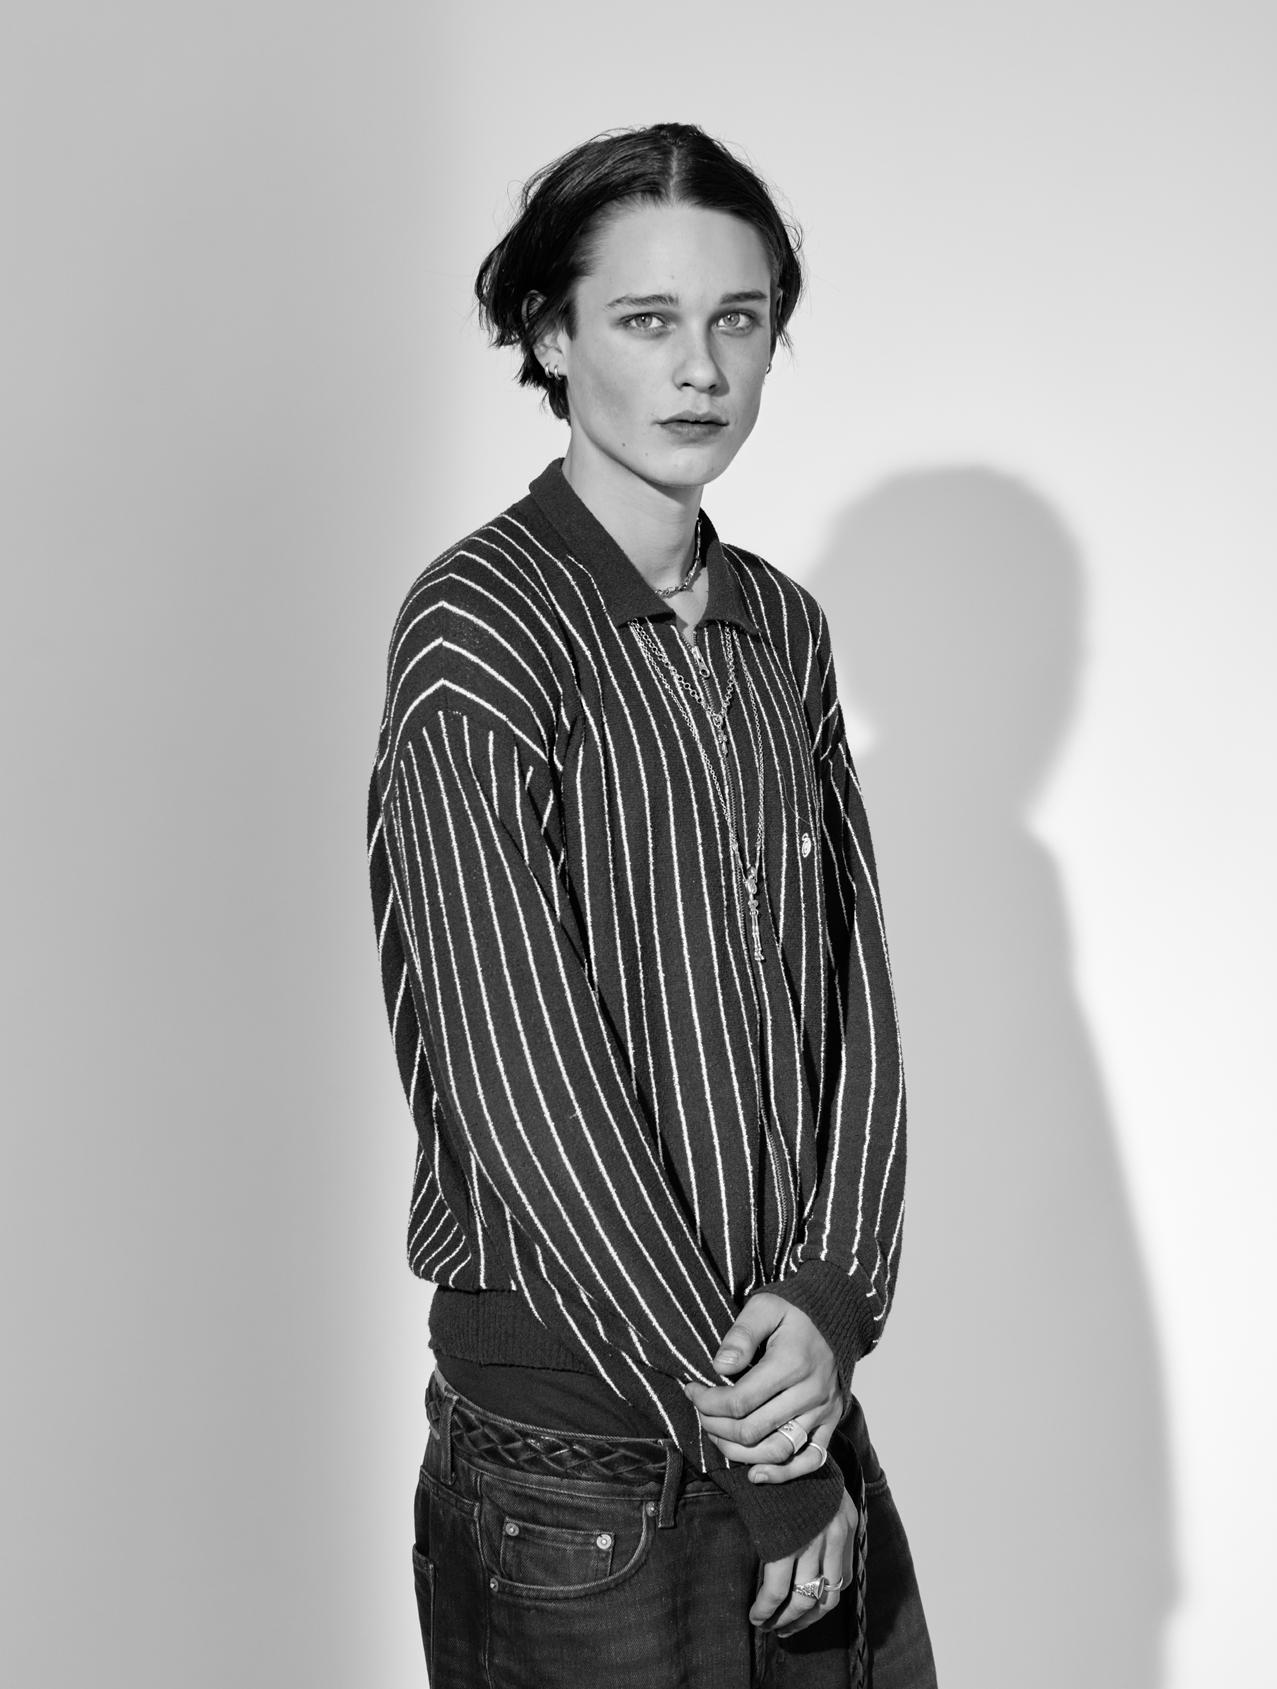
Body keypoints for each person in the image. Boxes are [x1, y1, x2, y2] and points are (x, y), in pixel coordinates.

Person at [369, 122, 936, 1688]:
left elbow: (857, 999)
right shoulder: (479, 629)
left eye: (737, 319)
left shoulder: (780, 628)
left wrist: (831, 1295)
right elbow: (523, 1085)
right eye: (646, 320)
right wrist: (766, 1458)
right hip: (583, 1466)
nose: (702, 368)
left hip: (792, 1405)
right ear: (551, 334)